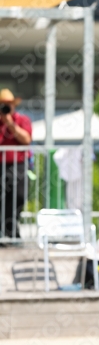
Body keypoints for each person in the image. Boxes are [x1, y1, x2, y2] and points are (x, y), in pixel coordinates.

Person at [0, 89, 32, 238]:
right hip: (1, 166)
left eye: (8, 104)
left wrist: (10, 124)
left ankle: (10, 230)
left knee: (18, 197)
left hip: (18, 166)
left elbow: (26, 140)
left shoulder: (22, 120)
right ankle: (5, 233)